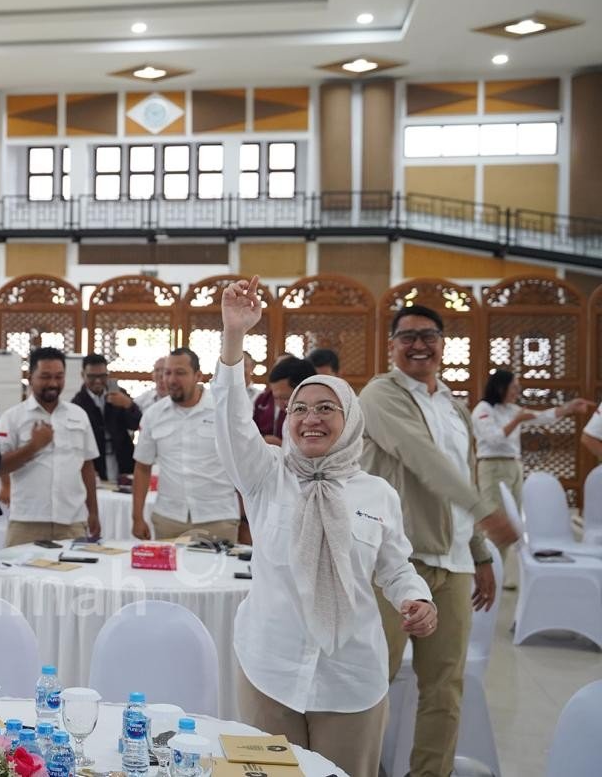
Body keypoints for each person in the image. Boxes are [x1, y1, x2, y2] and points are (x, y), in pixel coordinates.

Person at [215, 276, 436, 777]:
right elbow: (230, 422)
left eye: (325, 409)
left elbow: (395, 567)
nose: (310, 418)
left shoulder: (376, 493)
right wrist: (233, 335)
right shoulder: (266, 476)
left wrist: (416, 598)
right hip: (270, 668)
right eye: (299, 409)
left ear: (350, 419)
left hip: (350, 676)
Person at [360, 304, 517, 777]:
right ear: (391, 346)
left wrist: (480, 553)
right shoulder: (379, 395)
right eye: (407, 337)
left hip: (454, 566)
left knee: (445, 686)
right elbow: (421, 456)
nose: (419, 345)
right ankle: (355, 768)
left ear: (443, 344)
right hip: (395, 563)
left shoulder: (454, 407)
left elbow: (464, 472)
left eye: (429, 335)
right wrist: (483, 509)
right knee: (373, 681)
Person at [472, 369, 593, 588]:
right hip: (492, 466)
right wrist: (517, 420)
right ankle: (487, 571)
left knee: (512, 520)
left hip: (514, 466)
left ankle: (505, 575)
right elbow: (494, 439)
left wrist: (569, 407)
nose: (517, 391)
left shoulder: (511, 409)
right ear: (500, 387)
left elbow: (542, 416)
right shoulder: (483, 409)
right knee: (495, 520)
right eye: (514, 387)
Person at [130, 349, 239, 543]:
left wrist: (247, 518)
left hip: (218, 517)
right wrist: (137, 517)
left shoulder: (223, 410)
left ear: (198, 376)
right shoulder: (154, 415)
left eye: (180, 373)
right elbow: (142, 467)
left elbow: (242, 464)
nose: (171, 380)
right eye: (167, 373)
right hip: (169, 519)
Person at [0, 347, 100, 546]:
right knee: (16, 567)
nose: (53, 383)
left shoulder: (79, 415)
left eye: (59, 376)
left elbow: (87, 466)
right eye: (45, 377)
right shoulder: (12, 417)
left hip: (72, 521)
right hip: (27, 521)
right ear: (30, 377)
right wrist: (33, 447)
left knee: (75, 567)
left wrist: (93, 512)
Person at [72, 354, 141, 482]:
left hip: (123, 461)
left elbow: (137, 424)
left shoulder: (118, 393)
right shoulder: (77, 403)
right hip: (95, 464)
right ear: (83, 375)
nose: (98, 381)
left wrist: (129, 405)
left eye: (102, 376)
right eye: (92, 376)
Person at [252, 356, 317, 445]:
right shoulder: (263, 399)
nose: (279, 404)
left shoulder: (319, 418)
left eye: (285, 398)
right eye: (276, 398)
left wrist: (282, 445)